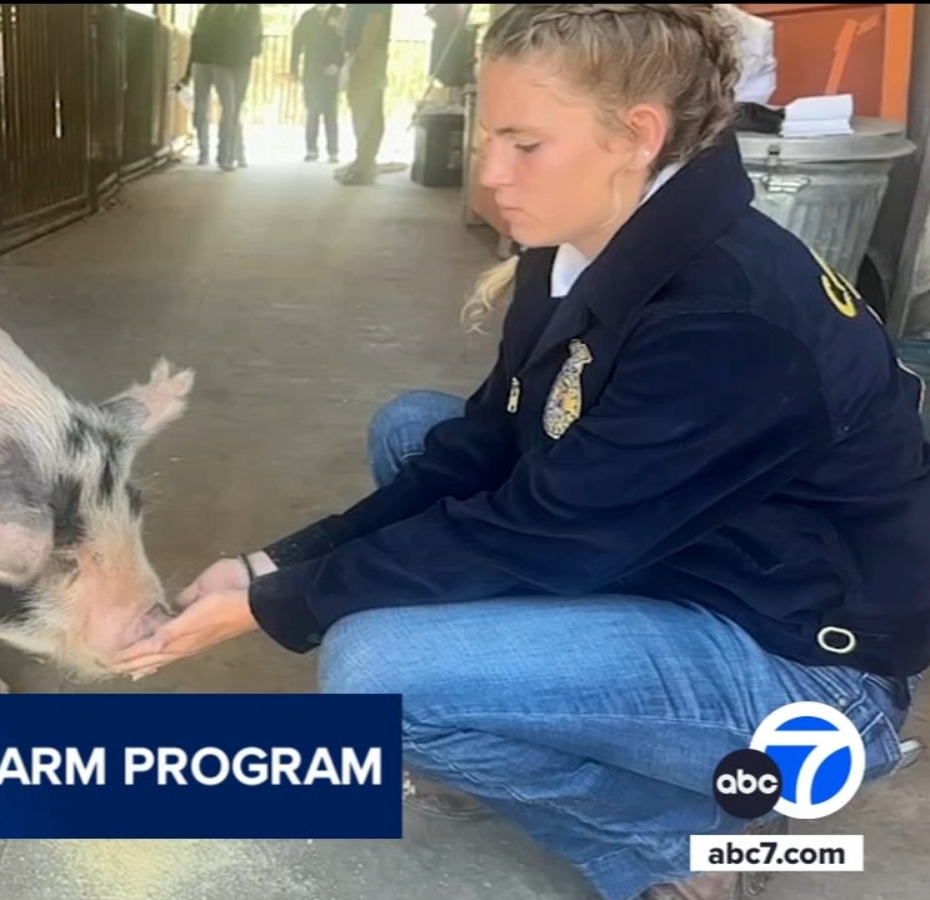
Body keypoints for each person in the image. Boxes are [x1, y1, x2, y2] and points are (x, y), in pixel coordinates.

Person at [116, 5, 930, 900]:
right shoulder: (583, 240)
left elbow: (542, 531)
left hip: (806, 667)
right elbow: (486, 445)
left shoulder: (726, 318)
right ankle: (575, 729)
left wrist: (280, 604)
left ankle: (687, 845)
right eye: (489, 134)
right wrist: (271, 563)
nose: (491, 171)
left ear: (637, 135)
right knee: (414, 428)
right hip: (692, 555)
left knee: (378, 679)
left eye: (525, 144)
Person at [177, 4, 264, 171]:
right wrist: (189, 70)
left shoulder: (253, 7)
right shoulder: (214, 9)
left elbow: (257, 30)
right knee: (225, 107)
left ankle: (235, 153)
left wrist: (255, 49)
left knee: (235, 109)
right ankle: (221, 155)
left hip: (242, 63)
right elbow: (200, 37)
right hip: (219, 62)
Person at [337, 4, 391, 185]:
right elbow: (342, 24)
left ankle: (364, 165)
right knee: (361, 109)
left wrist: (361, 56)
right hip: (357, 54)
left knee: (366, 110)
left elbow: (374, 22)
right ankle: (362, 160)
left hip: (368, 55)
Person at [292, 4, 346, 163]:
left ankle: (333, 150)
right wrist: (294, 68)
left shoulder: (340, 13)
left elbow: (346, 41)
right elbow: (297, 42)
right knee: (312, 111)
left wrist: (338, 64)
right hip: (312, 71)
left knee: (331, 112)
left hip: (331, 71)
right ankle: (311, 149)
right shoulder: (308, 16)